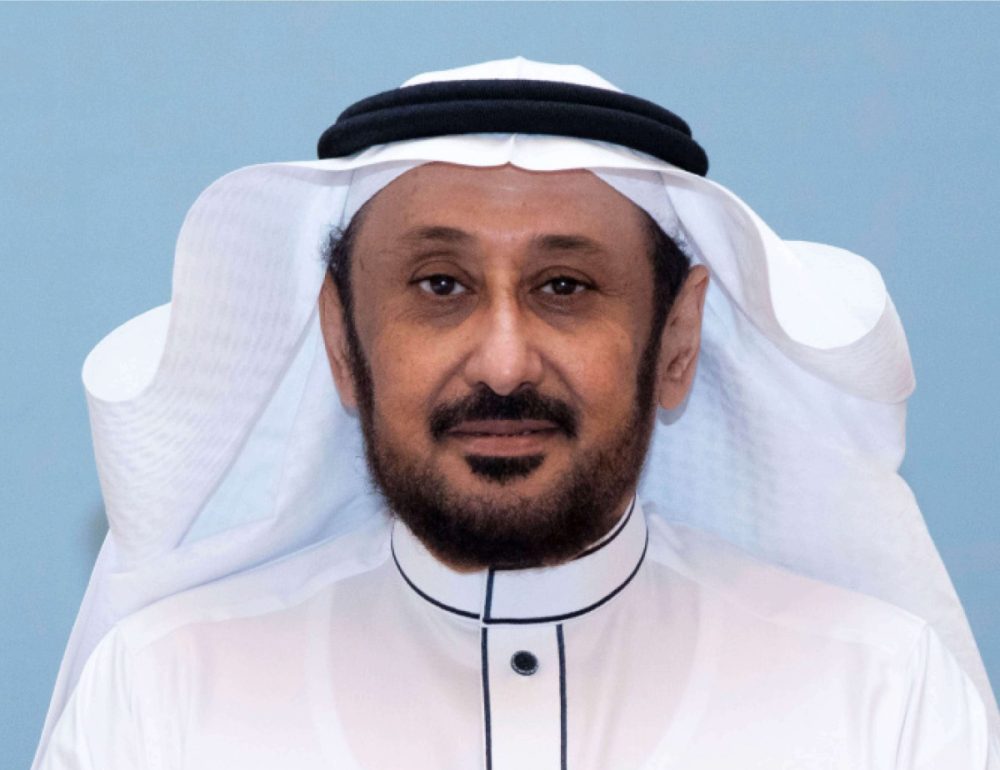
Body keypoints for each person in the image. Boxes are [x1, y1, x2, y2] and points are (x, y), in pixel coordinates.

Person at [33, 58, 999, 769]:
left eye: (565, 286)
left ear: (676, 339)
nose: (503, 362)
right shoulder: (163, 698)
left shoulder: (882, 699)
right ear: (341, 340)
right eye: (440, 284)